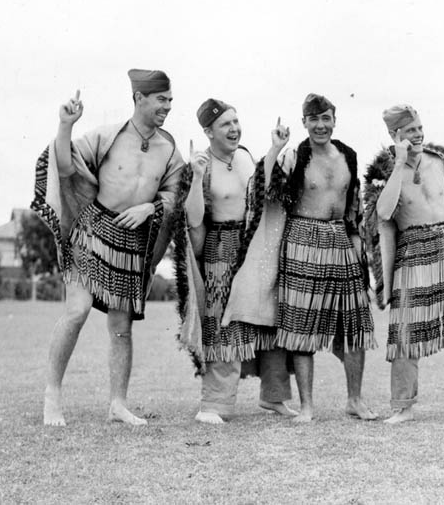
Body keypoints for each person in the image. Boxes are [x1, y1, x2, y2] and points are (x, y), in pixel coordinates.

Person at [31, 69, 184, 426]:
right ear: (139, 98)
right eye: (161, 99)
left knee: (121, 326)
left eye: (170, 100)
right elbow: (65, 164)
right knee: (77, 310)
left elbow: (177, 193)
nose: (167, 106)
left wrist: (152, 207)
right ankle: (52, 395)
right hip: (94, 230)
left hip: (132, 242)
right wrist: (65, 124)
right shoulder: (106, 135)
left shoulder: (170, 148)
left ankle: (117, 404)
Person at [225, 93, 377, 423]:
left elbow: (354, 209)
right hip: (302, 241)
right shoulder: (295, 156)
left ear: (334, 120)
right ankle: (307, 406)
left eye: (326, 118)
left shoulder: (348, 156)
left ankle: (355, 399)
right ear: (304, 122)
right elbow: (263, 188)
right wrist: (276, 148)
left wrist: (358, 250)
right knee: (300, 328)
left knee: (355, 324)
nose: (320, 125)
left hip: (340, 240)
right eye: (313, 119)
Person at [363, 104, 444, 424]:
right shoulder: (384, 171)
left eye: (419, 128)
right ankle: (403, 407)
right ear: (395, 136)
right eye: (410, 131)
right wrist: (399, 164)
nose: (418, 134)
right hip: (411, 252)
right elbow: (383, 214)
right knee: (405, 332)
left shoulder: (441, 160)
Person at [173, 98, 297, 424]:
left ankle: (274, 397)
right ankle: (213, 404)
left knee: (267, 318)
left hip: (252, 247)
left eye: (236, 121)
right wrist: (197, 177)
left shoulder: (244, 157)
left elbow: (262, 191)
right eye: (225, 124)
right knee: (223, 327)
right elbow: (195, 220)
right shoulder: (203, 165)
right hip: (220, 251)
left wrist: (275, 150)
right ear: (208, 131)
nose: (234, 128)